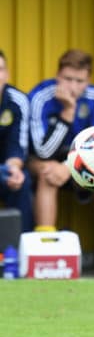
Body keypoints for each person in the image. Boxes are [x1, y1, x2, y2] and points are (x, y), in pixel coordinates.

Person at [29, 49, 94, 277]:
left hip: (83, 162)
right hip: (45, 161)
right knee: (47, 171)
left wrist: (69, 166)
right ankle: (46, 250)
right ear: (58, 75)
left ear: (88, 80)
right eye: (67, 79)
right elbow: (42, 151)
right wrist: (68, 112)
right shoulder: (40, 96)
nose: (73, 87)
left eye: (79, 81)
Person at [0, 50, 34, 232]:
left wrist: (13, 169)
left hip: (3, 170)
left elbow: (17, 146)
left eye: (0, 69)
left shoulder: (17, 100)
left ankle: (20, 245)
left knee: (21, 180)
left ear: (6, 74)